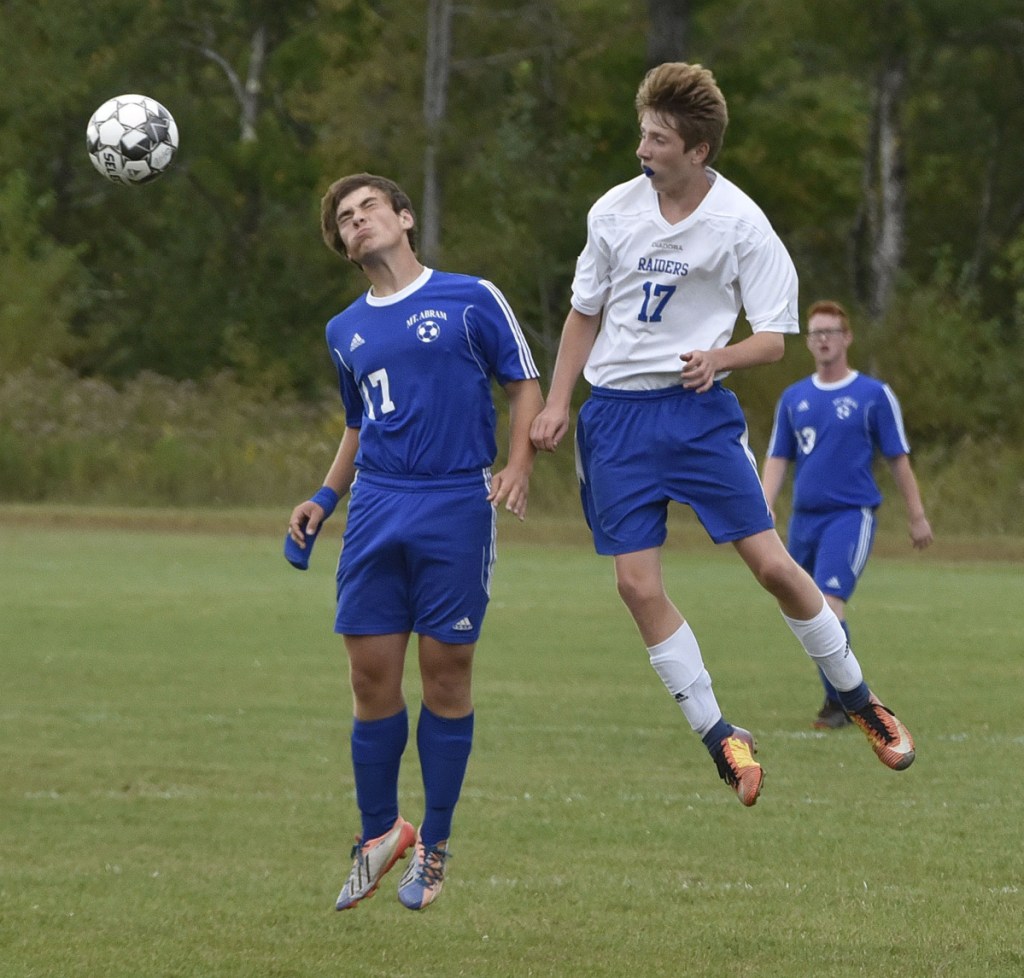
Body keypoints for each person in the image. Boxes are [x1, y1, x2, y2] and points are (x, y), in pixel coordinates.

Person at [529, 62, 916, 809]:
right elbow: (583, 313)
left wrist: (719, 357)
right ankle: (720, 737)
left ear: (698, 149)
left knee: (771, 565)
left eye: (658, 138)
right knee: (636, 586)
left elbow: (774, 339)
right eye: (642, 133)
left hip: (697, 416)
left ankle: (860, 697)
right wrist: (557, 401)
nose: (642, 148)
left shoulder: (742, 224)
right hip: (613, 419)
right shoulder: (612, 211)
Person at [287, 173, 543, 911]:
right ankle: (377, 834)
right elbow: (358, 423)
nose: (357, 221)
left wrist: (520, 465)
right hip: (375, 507)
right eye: (344, 218)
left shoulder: (471, 297)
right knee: (370, 679)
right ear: (342, 246)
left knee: (446, 677)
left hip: (455, 502)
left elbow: (523, 382)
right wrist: (324, 497)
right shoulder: (345, 330)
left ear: (403, 217)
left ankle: (432, 842)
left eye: (369, 208)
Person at [762, 299, 933, 730]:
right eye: (815, 332)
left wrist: (916, 515)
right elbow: (779, 457)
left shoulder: (873, 395)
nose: (822, 340)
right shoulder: (794, 397)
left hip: (850, 515)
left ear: (847, 337)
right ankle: (843, 699)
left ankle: (844, 703)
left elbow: (898, 459)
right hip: (805, 517)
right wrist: (762, 505)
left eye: (830, 332)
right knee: (803, 608)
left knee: (830, 602)